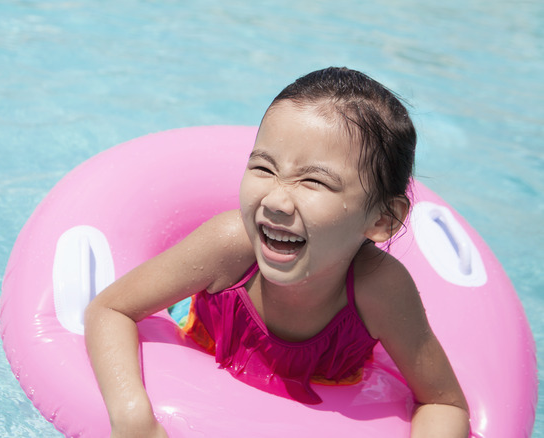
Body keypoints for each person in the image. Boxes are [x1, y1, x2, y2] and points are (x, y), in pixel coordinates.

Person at [84, 67, 469, 437]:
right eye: (264, 168)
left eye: (314, 180)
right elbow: (110, 309)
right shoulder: (230, 247)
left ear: (383, 219)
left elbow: (444, 403)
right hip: (199, 353)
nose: (277, 200)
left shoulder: (380, 289)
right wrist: (132, 416)